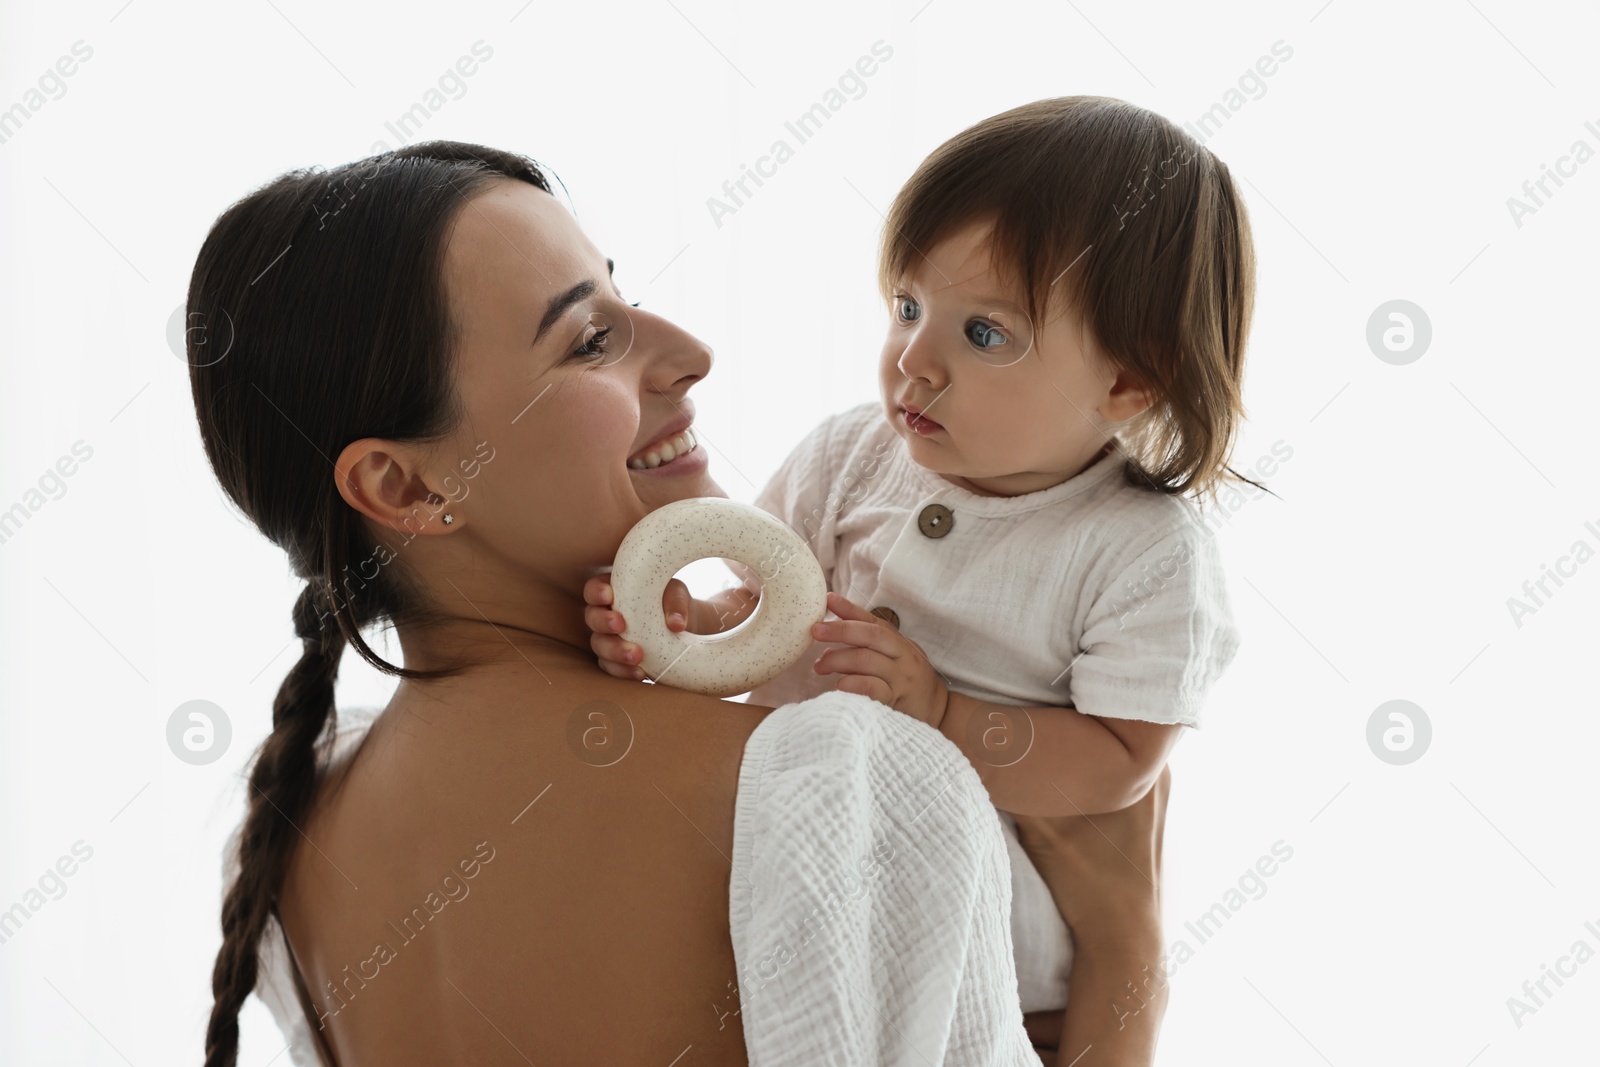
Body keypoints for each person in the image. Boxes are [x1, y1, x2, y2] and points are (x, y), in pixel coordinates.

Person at [193, 139, 1169, 1067]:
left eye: (629, 300)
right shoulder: (834, 790)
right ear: (405, 489)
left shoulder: (294, 823)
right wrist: (1128, 946)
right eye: (588, 340)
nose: (689, 352)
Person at [586, 96, 1264, 1062]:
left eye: (984, 334)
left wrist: (945, 713)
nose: (914, 359)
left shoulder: (1142, 549)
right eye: (907, 308)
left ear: (1127, 383)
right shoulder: (848, 459)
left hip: (992, 928)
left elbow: (1122, 761)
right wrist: (685, 624)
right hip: (790, 856)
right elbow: (766, 611)